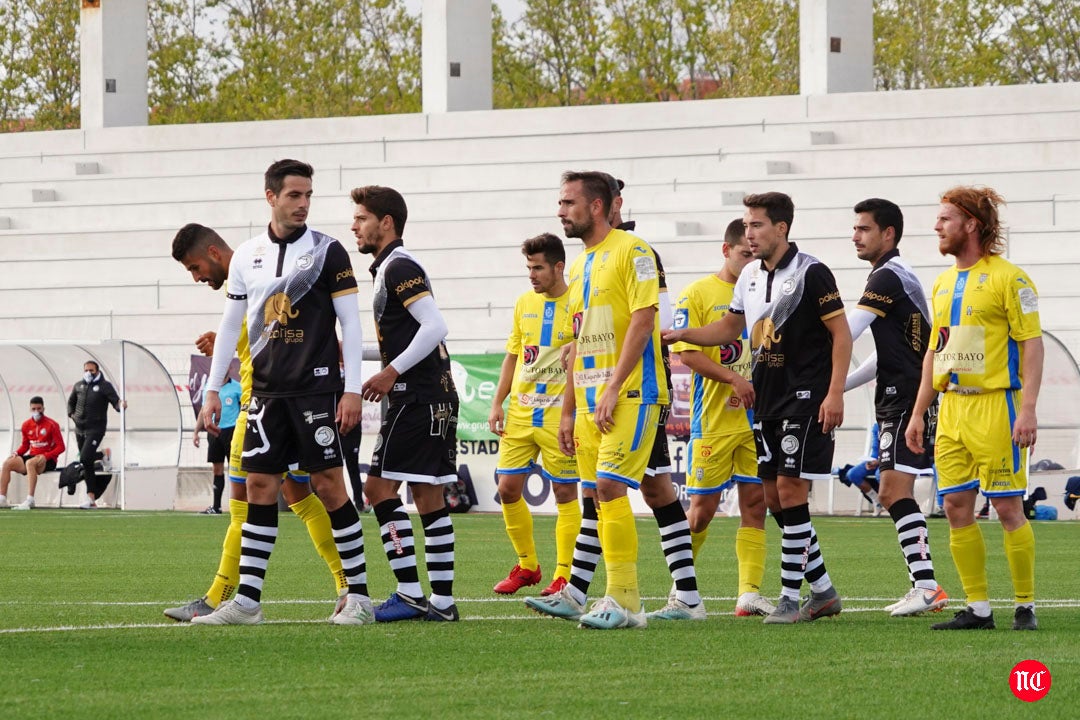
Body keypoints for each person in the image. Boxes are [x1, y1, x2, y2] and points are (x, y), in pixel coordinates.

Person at [192, 160, 371, 626]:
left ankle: (360, 597)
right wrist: (213, 389)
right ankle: (247, 602)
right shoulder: (246, 256)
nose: (303, 204)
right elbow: (231, 324)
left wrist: (350, 389)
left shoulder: (329, 252)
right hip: (265, 397)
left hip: (316, 393)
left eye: (308, 195)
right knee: (260, 487)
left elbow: (351, 324)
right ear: (270, 196)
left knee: (330, 486)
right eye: (294, 195)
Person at [663, 191, 851, 624]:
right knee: (773, 499)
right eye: (747, 226)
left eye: (758, 225)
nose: (750, 233)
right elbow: (730, 326)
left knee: (788, 492)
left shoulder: (812, 273)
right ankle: (821, 590)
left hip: (805, 396)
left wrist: (835, 392)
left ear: (781, 228)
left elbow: (841, 335)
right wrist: (683, 334)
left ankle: (788, 597)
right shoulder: (749, 274)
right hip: (767, 399)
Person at [528, 175, 703, 623]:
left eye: (568, 202)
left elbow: (646, 319)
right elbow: (578, 341)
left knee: (608, 489)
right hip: (589, 402)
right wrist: (567, 411)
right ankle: (598, 595)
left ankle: (624, 600)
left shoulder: (635, 251)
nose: (560, 211)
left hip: (632, 394)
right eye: (559, 202)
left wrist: (611, 387)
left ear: (599, 206)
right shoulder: (583, 263)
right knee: (603, 493)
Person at [165, 222, 354, 622]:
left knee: (247, 503)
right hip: (286, 404)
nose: (198, 277)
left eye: (196, 268)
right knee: (302, 498)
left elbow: (278, 334)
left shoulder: (262, 276)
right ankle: (345, 584)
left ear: (214, 253)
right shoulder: (257, 276)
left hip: (265, 407)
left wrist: (224, 349)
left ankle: (220, 597)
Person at [905, 186, 1043, 631]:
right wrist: (918, 412)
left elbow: (1032, 345)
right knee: (956, 508)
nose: (936, 226)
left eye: (945, 218)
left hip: (996, 406)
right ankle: (978, 608)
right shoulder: (943, 283)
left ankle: (1025, 605)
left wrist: (1029, 409)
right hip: (952, 411)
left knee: (1006, 509)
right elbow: (935, 351)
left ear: (971, 224)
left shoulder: (1011, 278)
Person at [352, 184, 461, 622]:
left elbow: (435, 326)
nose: (354, 226)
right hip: (430, 394)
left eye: (361, 218)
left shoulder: (399, 266)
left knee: (378, 489)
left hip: (416, 396)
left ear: (386, 222)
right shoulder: (390, 268)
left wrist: (391, 370)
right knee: (428, 495)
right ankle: (442, 602)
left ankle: (412, 593)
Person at [670, 218, 782, 617]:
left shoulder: (762, 291)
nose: (751, 260)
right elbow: (686, 352)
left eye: (755, 254)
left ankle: (749, 594)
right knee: (702, 509)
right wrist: (733, 377)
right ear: (726, 250)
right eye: (744, 254)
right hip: (713, 419)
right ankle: (680, 588)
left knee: (756, 504)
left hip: (756, 420)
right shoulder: (699, 292)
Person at [843, 198, 949, 616]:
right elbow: (884, 355)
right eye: (854, 228)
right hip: (896, 395)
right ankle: (924, 586)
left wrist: (809, 365)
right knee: (892, 491)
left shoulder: (888, 276)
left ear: (888, 234)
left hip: (909, 397)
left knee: (893, 491)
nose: (855, 236)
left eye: (864, 229)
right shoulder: (887, 277)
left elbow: (848, 331)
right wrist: (845, 384)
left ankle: (927, 586)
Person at [488, 232, 582, 596]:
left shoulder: (578, 300)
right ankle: (528, 566)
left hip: (560, 415)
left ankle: (563, 574)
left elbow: (595, 343)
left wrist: (576, 344)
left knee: (564, 494)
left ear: (559, 266)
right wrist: (498, 402)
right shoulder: (524, 302)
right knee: (507, 489)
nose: (532, 274)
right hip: (522, 414)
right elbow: (514, 355)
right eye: (528, 267)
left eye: (538, 267)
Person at [66, 360, 125, 508]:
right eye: (86, 370)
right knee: (86, 460)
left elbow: (116, 402)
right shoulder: (79, 385)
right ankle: (103, 454)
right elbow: (71, 402)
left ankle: (91, 497)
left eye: (91, 370)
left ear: (97, 371)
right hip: (79, 428)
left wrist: (121, 405)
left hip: (95, 429)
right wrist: (72, 414)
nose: (88, 373)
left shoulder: (105, 386)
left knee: (85, 458)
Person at [0, 396, 65, 510]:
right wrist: (16, 452)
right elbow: (25, 445)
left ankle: (30, 499)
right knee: (7, 463)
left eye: (39, 408)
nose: (36, 411)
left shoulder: (52, 424)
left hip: (48, 459)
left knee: (30, 463)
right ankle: (2, 498)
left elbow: (61, 447)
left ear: (43, 408)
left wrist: (46, 456)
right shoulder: (26, 425)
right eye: (33, 409)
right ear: (30, 409)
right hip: (32, 456)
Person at [195, 375, 242, 514]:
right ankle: (216, 507)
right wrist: (196, 431)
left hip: (232, 431)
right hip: (214, 431)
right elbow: (204, 409)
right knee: (217, 469)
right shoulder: (210, 387)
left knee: (236, 468)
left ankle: (241, 506)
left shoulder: (237, 387)